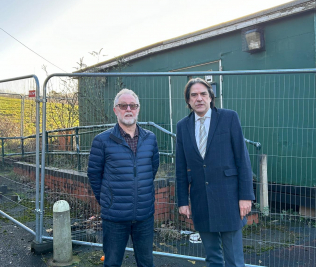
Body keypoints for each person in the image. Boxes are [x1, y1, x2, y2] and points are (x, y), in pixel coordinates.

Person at [176, 78, 255, 267]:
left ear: (211, 97)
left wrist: (246, 196)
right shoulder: (182, 126)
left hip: (229, 198)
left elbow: (242, 160)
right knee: (213, 258)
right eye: (193, 95)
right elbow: (180, 166)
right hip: (201, 199)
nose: (199, 98)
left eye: (203, 94)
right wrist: (182, 201)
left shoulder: (229, 118)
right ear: (188, 101)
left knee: (234, 259)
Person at [87, 88, 159, 267]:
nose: (128, 109)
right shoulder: (102, 140)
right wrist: (108, 200)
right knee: (112, 262)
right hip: (115, 217)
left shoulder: (150, 138)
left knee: (146, 262)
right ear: (115, 110)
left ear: (138, 109)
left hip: (144, 215)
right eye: (123, 105)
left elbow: (152, 169)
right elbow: (94, 175)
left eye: (133, 106)